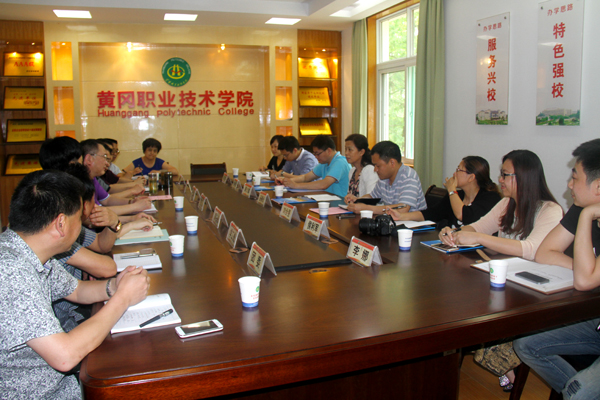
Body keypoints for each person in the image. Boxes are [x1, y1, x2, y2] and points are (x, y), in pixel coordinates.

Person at [0, 170, 150, 399]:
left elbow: (77, 290)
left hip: (61, 383)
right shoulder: (11, 271)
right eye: (79, 218)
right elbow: (64, 356)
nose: (82, 225)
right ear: (61, 224)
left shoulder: (30, 252)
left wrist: (114, 286)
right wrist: (123, 299)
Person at [514, 139, 600, 400]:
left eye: (575, 177)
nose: (569, 184)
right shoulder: (580, 208)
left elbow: (584, 282)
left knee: (580, 391)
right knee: (525, 344)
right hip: (594, 322)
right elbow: (545, 253)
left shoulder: (585, 212)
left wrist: (587, 216)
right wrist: (586, 268)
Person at [439, 150, 563, 261]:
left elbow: (530, 250)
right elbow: (478, 227)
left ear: (523, 177)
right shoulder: (506, 203)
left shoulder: (550, 210)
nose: (500, 180)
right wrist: (452, 233)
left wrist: (479, 238)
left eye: (505, 175)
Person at [389, 156, 501, 228]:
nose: (454, 174)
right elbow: (430, 213)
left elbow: (463, 215)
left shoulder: (490, 198)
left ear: (471, 177)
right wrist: (401, 216)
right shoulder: (458, 195)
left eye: (459, 170)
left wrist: (451, 190)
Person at [344, 140, 426, 214]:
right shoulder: (383, 178)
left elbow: (402, 209)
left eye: (378, 166)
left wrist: (367, 208)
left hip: (413, 224)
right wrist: (357, 200)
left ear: (392, 163)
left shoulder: (409, 177)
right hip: (392, 221)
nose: (375, 170)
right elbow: (372, 196)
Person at [276, 135, 350, 198]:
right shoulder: (324, 163)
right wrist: (285, 181)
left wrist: (296, 185)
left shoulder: (340, 162)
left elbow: (324, 184)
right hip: (329, 199)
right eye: (314, 154)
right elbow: (305, 177)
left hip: (341, 202)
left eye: (318, 154)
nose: (316, 157)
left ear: (329, 151)